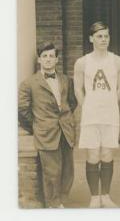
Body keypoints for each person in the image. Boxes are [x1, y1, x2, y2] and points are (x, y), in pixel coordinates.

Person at [18, 42, 77, 208]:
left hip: (65, 131)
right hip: (45, 132)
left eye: (52, 56)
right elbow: (22, 110)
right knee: (52, 171)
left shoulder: (66, 80)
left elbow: (72, 103)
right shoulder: (29, 83)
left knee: (67, 170)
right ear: (39, 60)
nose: (48, 59)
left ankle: (62, 200)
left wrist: (66, 122)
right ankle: (53, 203)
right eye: (45, 56)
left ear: (57, 59)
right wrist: (37, 125)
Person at [74, 21, 120, 208]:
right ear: (91, 39)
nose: (103, 39)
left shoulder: (118, 61)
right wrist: (86, 106)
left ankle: (106, 195)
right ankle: (94, 196)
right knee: (93, 154)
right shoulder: (82, 62)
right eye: (99, 36)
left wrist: (111, 102)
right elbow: (78, 88)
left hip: (110, 113)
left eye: (106, 36)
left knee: (107, 153)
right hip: (91, 113)